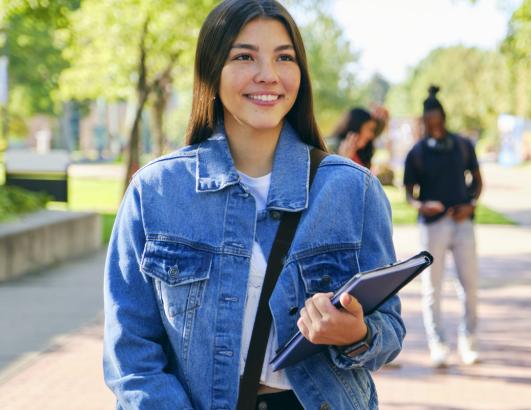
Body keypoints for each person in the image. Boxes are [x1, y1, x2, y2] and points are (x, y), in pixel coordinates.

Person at [103, 1, 404, 409]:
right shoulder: (155, 192)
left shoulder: (354, 190)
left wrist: (356, 334)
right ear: (212, 69)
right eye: (244, 56)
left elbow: (389, 329)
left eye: (284, 57)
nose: (268, 75)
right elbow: (132, 354)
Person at [403, 85, 483, 368]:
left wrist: (471, 204)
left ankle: (468, 341)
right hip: (432, 226)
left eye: (438, 119)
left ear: (444, 118)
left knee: (469, 286)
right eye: (429, 120)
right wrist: (422, 206)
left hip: (462, 224)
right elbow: (409, 195)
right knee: (432, 289)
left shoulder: (463, 145)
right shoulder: (417, 153)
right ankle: (438, 345)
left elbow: (477, 179)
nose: (434, 124)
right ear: (424, 121)